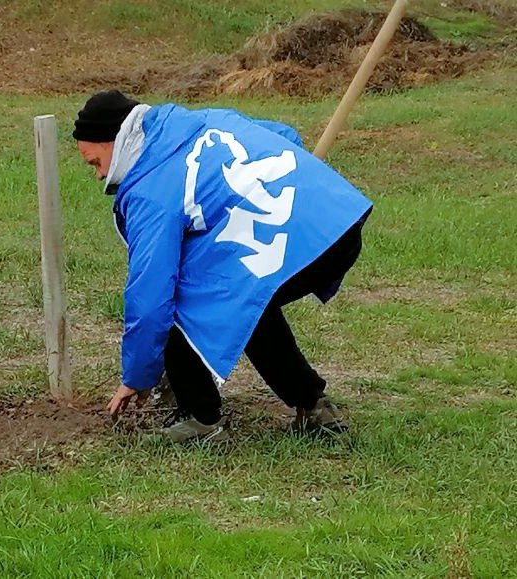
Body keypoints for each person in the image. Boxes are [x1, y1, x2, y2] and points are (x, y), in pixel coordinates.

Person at [72, 89, 372, 442]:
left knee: (181, 293)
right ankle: (314, 407)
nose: (99, 175)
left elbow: (151, 295)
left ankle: (201, 420)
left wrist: (137, 376)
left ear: (117, 142)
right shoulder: (206, 120)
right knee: (244, 295)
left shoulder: (150, 192)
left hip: (296, 242)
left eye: (95, 162)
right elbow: (284, 135)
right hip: (338, 224)